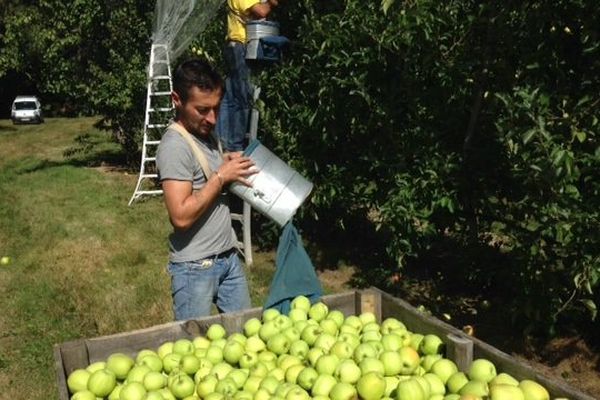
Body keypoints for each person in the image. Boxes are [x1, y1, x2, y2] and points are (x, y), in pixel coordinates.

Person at [156, 59, 257, 320]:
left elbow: (203, 175)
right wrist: (220, 177)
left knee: (247, 339)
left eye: (216, 108)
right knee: (195, 350)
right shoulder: (174, 146)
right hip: (195, 268)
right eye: (202, 110)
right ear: (177, 99)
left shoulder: (206, 134)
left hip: (228, 258)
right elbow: (180, 216)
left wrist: (224, 164)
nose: (212, 118)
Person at [215, 0, 279, 151]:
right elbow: (261, 11)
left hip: (234, 45)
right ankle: (235, 146)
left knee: (230, 97)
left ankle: (221, 141)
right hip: (240, 46)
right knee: (243, 97)